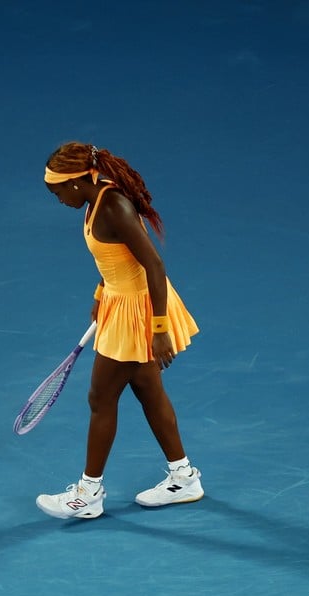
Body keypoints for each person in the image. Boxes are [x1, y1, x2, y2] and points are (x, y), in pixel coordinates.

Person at [35, 141, 202, 520]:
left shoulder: (112, 207)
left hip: (139, 312)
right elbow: (116, 260)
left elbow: (154, 266)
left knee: (101, 398)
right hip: (119, 302)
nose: (57, 198)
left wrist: (158, 329)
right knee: (148, 390)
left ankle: (88, 494)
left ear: (77, 182)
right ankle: (184, 476)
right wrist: (100, 293)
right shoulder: (94, 202)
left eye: (58, 190)